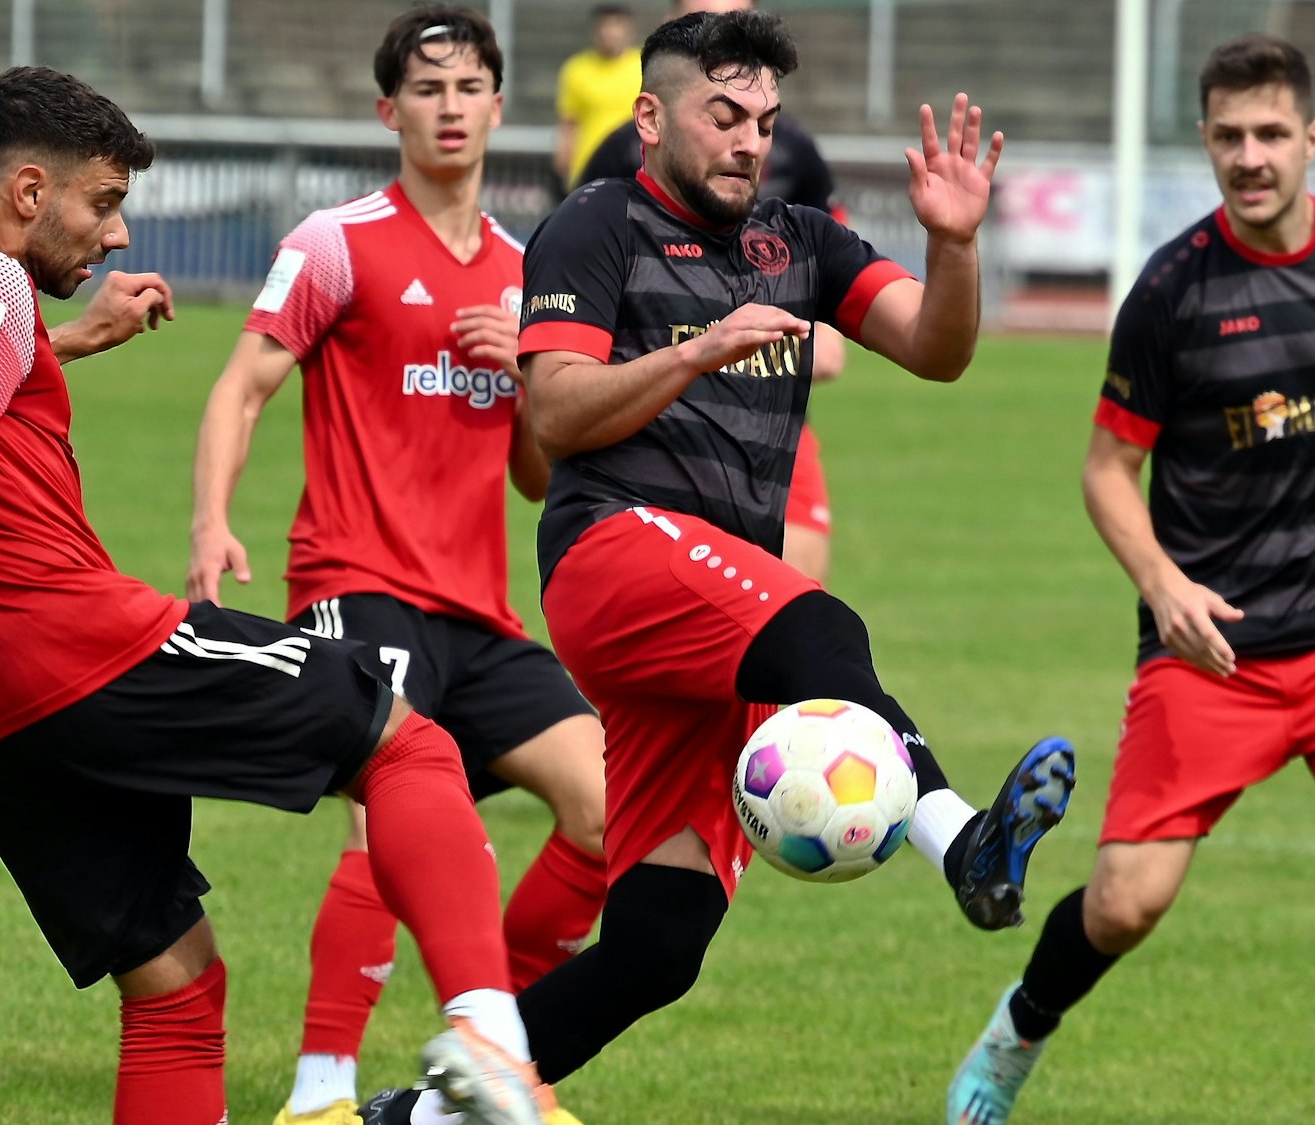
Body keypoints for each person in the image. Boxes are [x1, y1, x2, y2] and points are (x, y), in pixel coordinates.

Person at [0, 65, 565, 1125]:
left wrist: (68, 345)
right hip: (73, 644)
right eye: (103, 203)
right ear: (29, 191)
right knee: (405, 742)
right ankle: (493, 1041)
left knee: (173, 985)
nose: (116, 237)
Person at [361, 11, 1076, 1123]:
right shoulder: (592, 226)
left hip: (709, 612)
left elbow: (937, 350)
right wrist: (694, 350)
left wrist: (954, 243)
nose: (749, 140)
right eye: (723, 115)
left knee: (658, 943)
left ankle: (425, 1112)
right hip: (613, 555)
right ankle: (959, 842)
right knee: (826, 633)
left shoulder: (800, 239)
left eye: (764, 121)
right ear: (650, 117)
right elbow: (550, 413)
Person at [948, 34, 1315, 1125]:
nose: (1249, 158)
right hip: (1212, 644)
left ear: (1310, 139)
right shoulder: (1169, 294)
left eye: (1267, 135)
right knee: (1123, 904)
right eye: (1227, 137)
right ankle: (1017, 1031)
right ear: (1204, 142)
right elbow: (1107, 469)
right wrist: (1160, 585)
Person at [185, 9, 607, 1124]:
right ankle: (316, 1093)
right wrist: (210, 522)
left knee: (608, 809)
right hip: (356, 583)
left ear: (500, 107)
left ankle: (488, 1052)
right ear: (389, 111)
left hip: (479, 610)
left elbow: (533, 474)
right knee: (391, 816)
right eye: (427, 89)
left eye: (470, 86)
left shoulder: (531, 271)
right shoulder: (336, 242)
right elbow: (241, 386)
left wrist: (524, 371)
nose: (451, 106)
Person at [574, 0, 849, 583]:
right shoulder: (613, 167)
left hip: (769, 420)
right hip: (648, 437)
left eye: (763, 126)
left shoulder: (795, 152)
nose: (750, 143)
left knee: (799, 621)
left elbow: (830, 271)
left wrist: (817, 332)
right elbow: (575, 282)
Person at [553, 4, 642, 190]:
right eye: (605, 26)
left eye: (616, 25)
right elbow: (569, 124)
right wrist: (562, 167)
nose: (610, 33)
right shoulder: (577, 69)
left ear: (628, 30)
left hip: (633, 166)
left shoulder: (643, 66)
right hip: (589, 168)